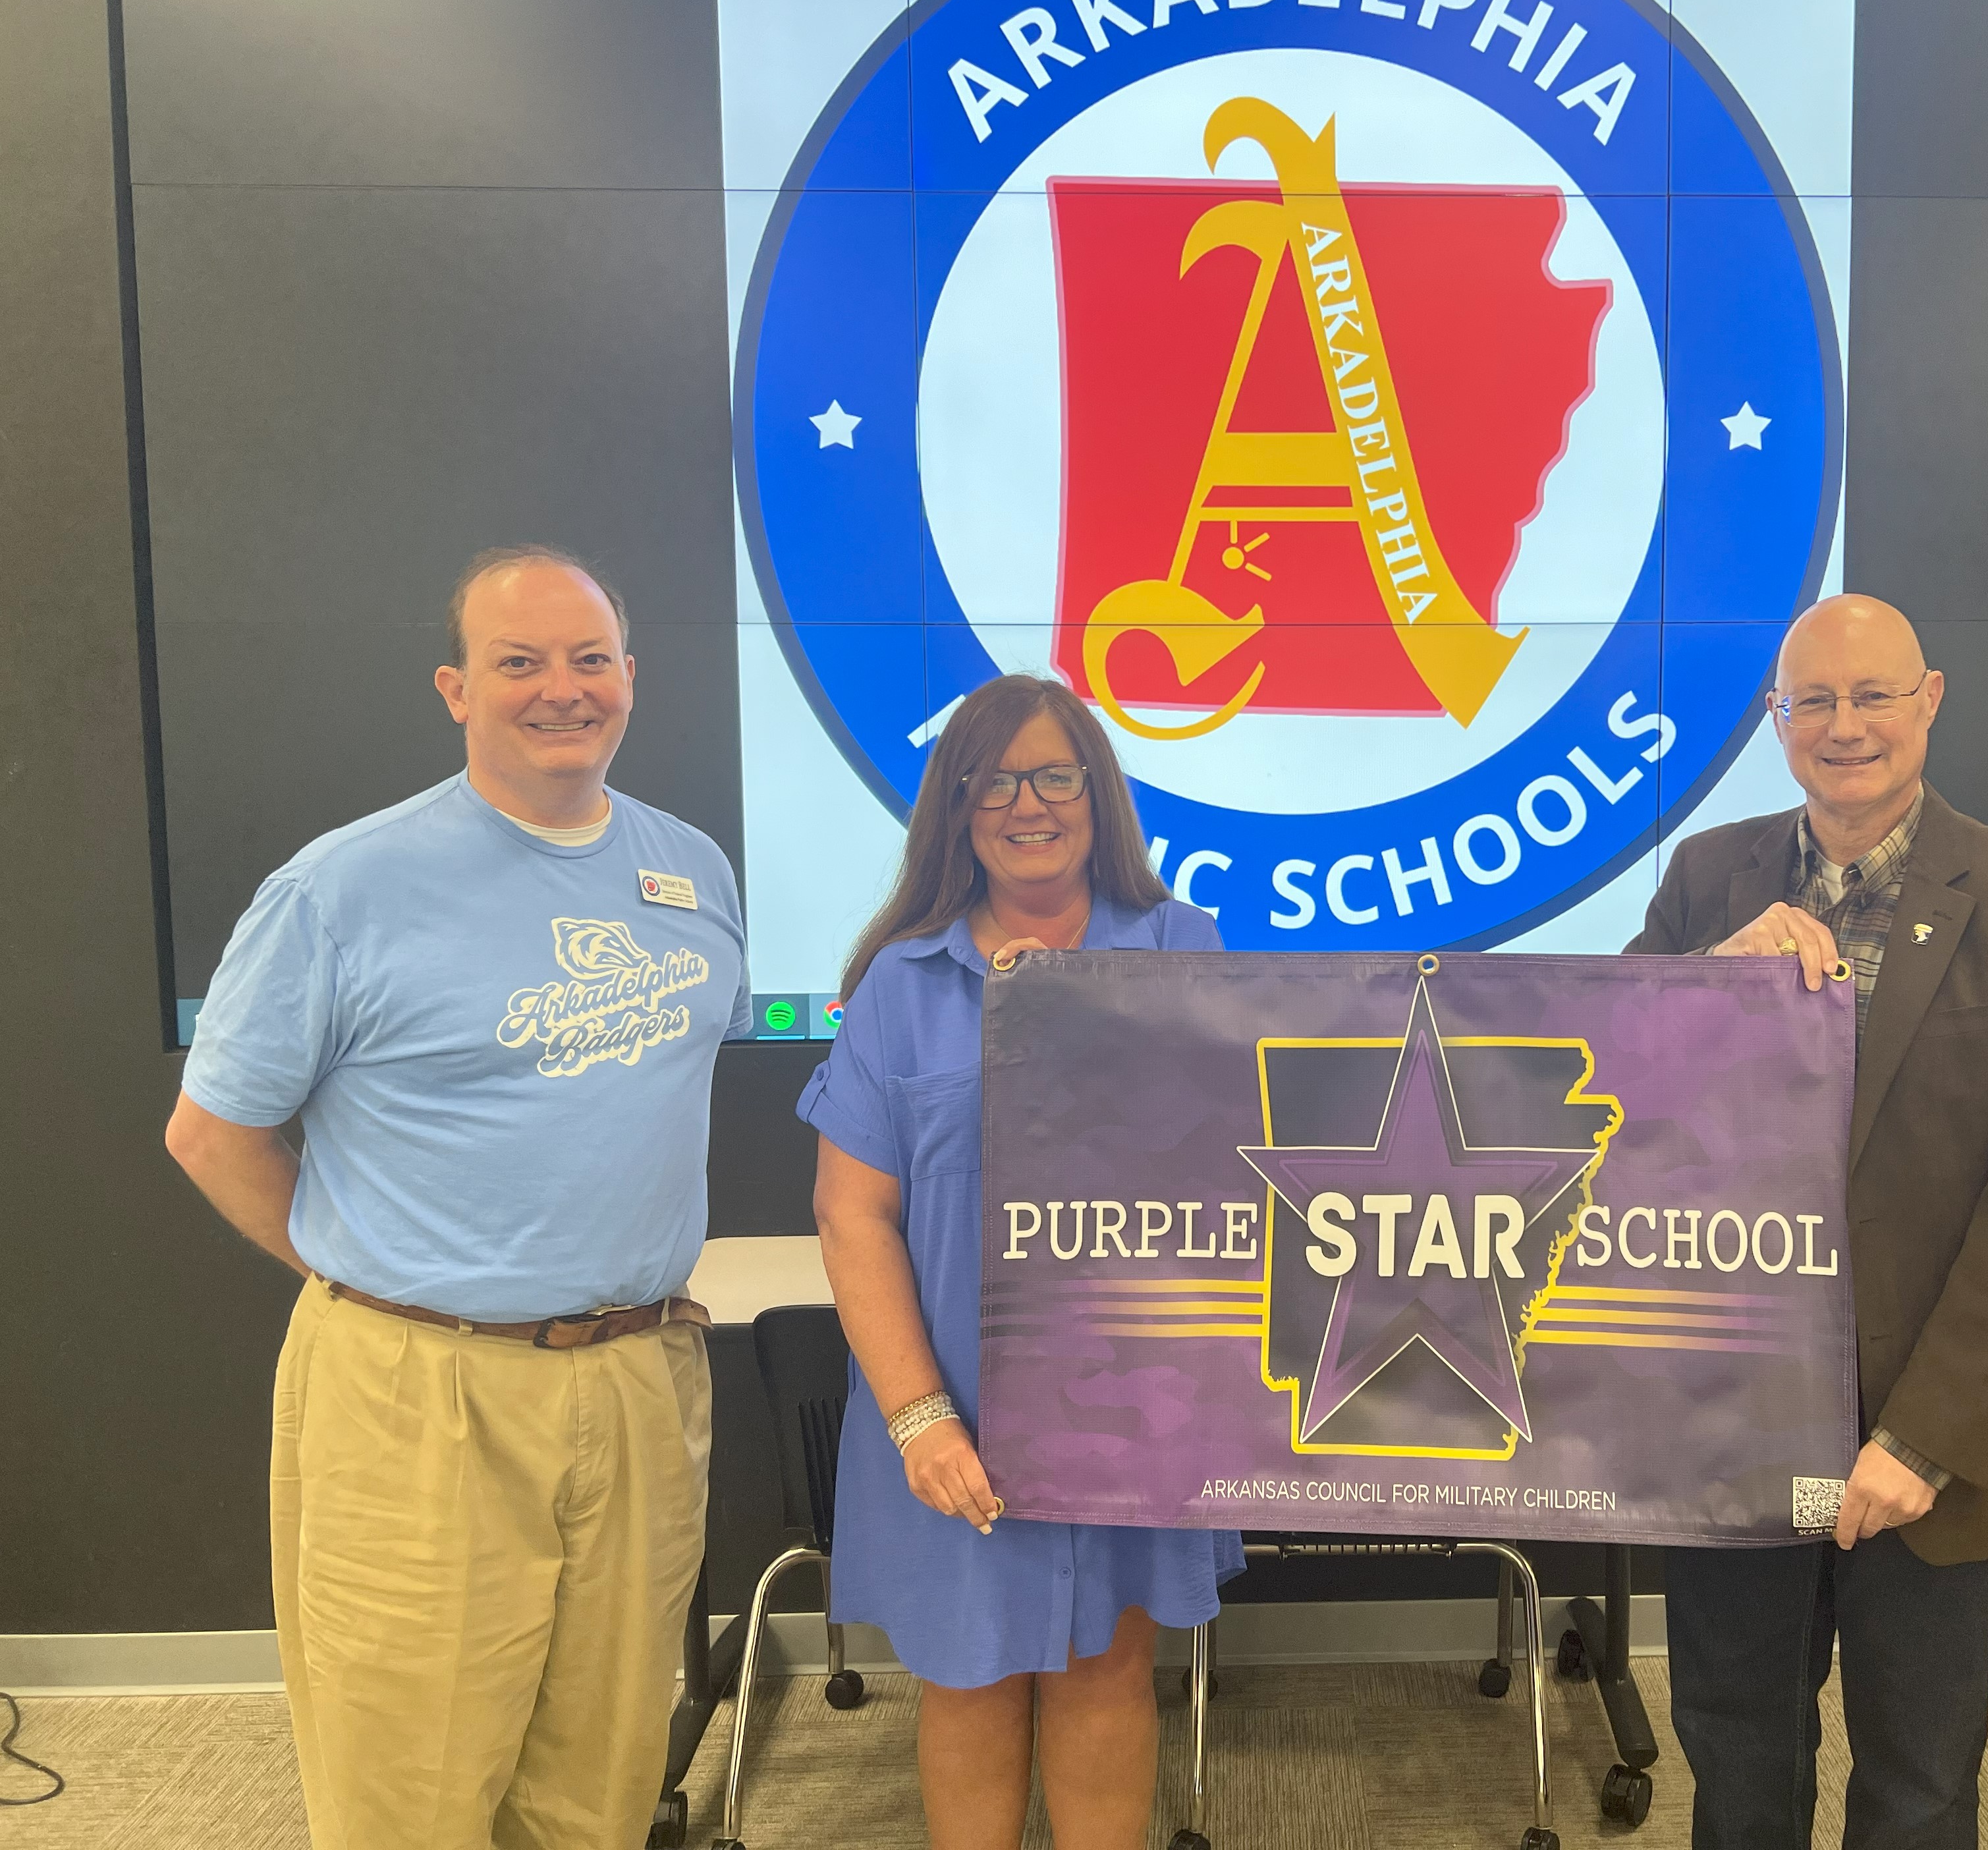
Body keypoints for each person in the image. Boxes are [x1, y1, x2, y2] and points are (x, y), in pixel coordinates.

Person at [163, 546, 750, 1849]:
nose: (561, 690)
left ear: (632, 681)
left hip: (643, 1380)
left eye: (589, 659)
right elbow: (211, 1135)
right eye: (520, 662)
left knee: (596, 1787)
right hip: (420, 1395)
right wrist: (383, 1282)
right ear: (455, 688)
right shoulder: (342, 890)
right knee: (410, 1795)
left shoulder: (691, 870)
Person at [1627, 592, 1988, 1850]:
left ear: (1931, 700)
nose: (1846, 727)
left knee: (1918, 1773)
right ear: (1778, 720)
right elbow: (1611, 1095)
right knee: (1736, 1746)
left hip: (1930, 1432)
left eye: (1874, 696)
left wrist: (1928, 1436)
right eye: (1815, 702)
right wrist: (1701, 994)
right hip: (1736, 1417)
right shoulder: (1706, 877)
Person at [804, 673, 1242, 1850]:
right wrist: (919, 1419)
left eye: (1055, 775)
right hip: (956, 1417)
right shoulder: (900, 984)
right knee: (970, 1681)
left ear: (1098, 796)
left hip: (1134, 1405)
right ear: (957, 806)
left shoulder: (1183, 949)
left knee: (1107, 1674)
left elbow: (1240, 1176)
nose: (1027, 803)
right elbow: (853, 1217)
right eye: (993, 781)